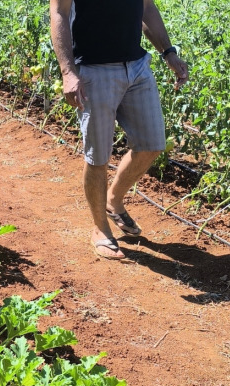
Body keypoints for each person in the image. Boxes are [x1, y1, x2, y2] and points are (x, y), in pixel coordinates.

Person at [50, 0, 189, 260]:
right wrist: (68, 72)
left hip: (136, 67)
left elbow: (147, 8)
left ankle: (113, 199)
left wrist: (169, 52)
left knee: (152, 144)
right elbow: (59, 12)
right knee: (98, 156)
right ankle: (100, 228)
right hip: (93, 70)